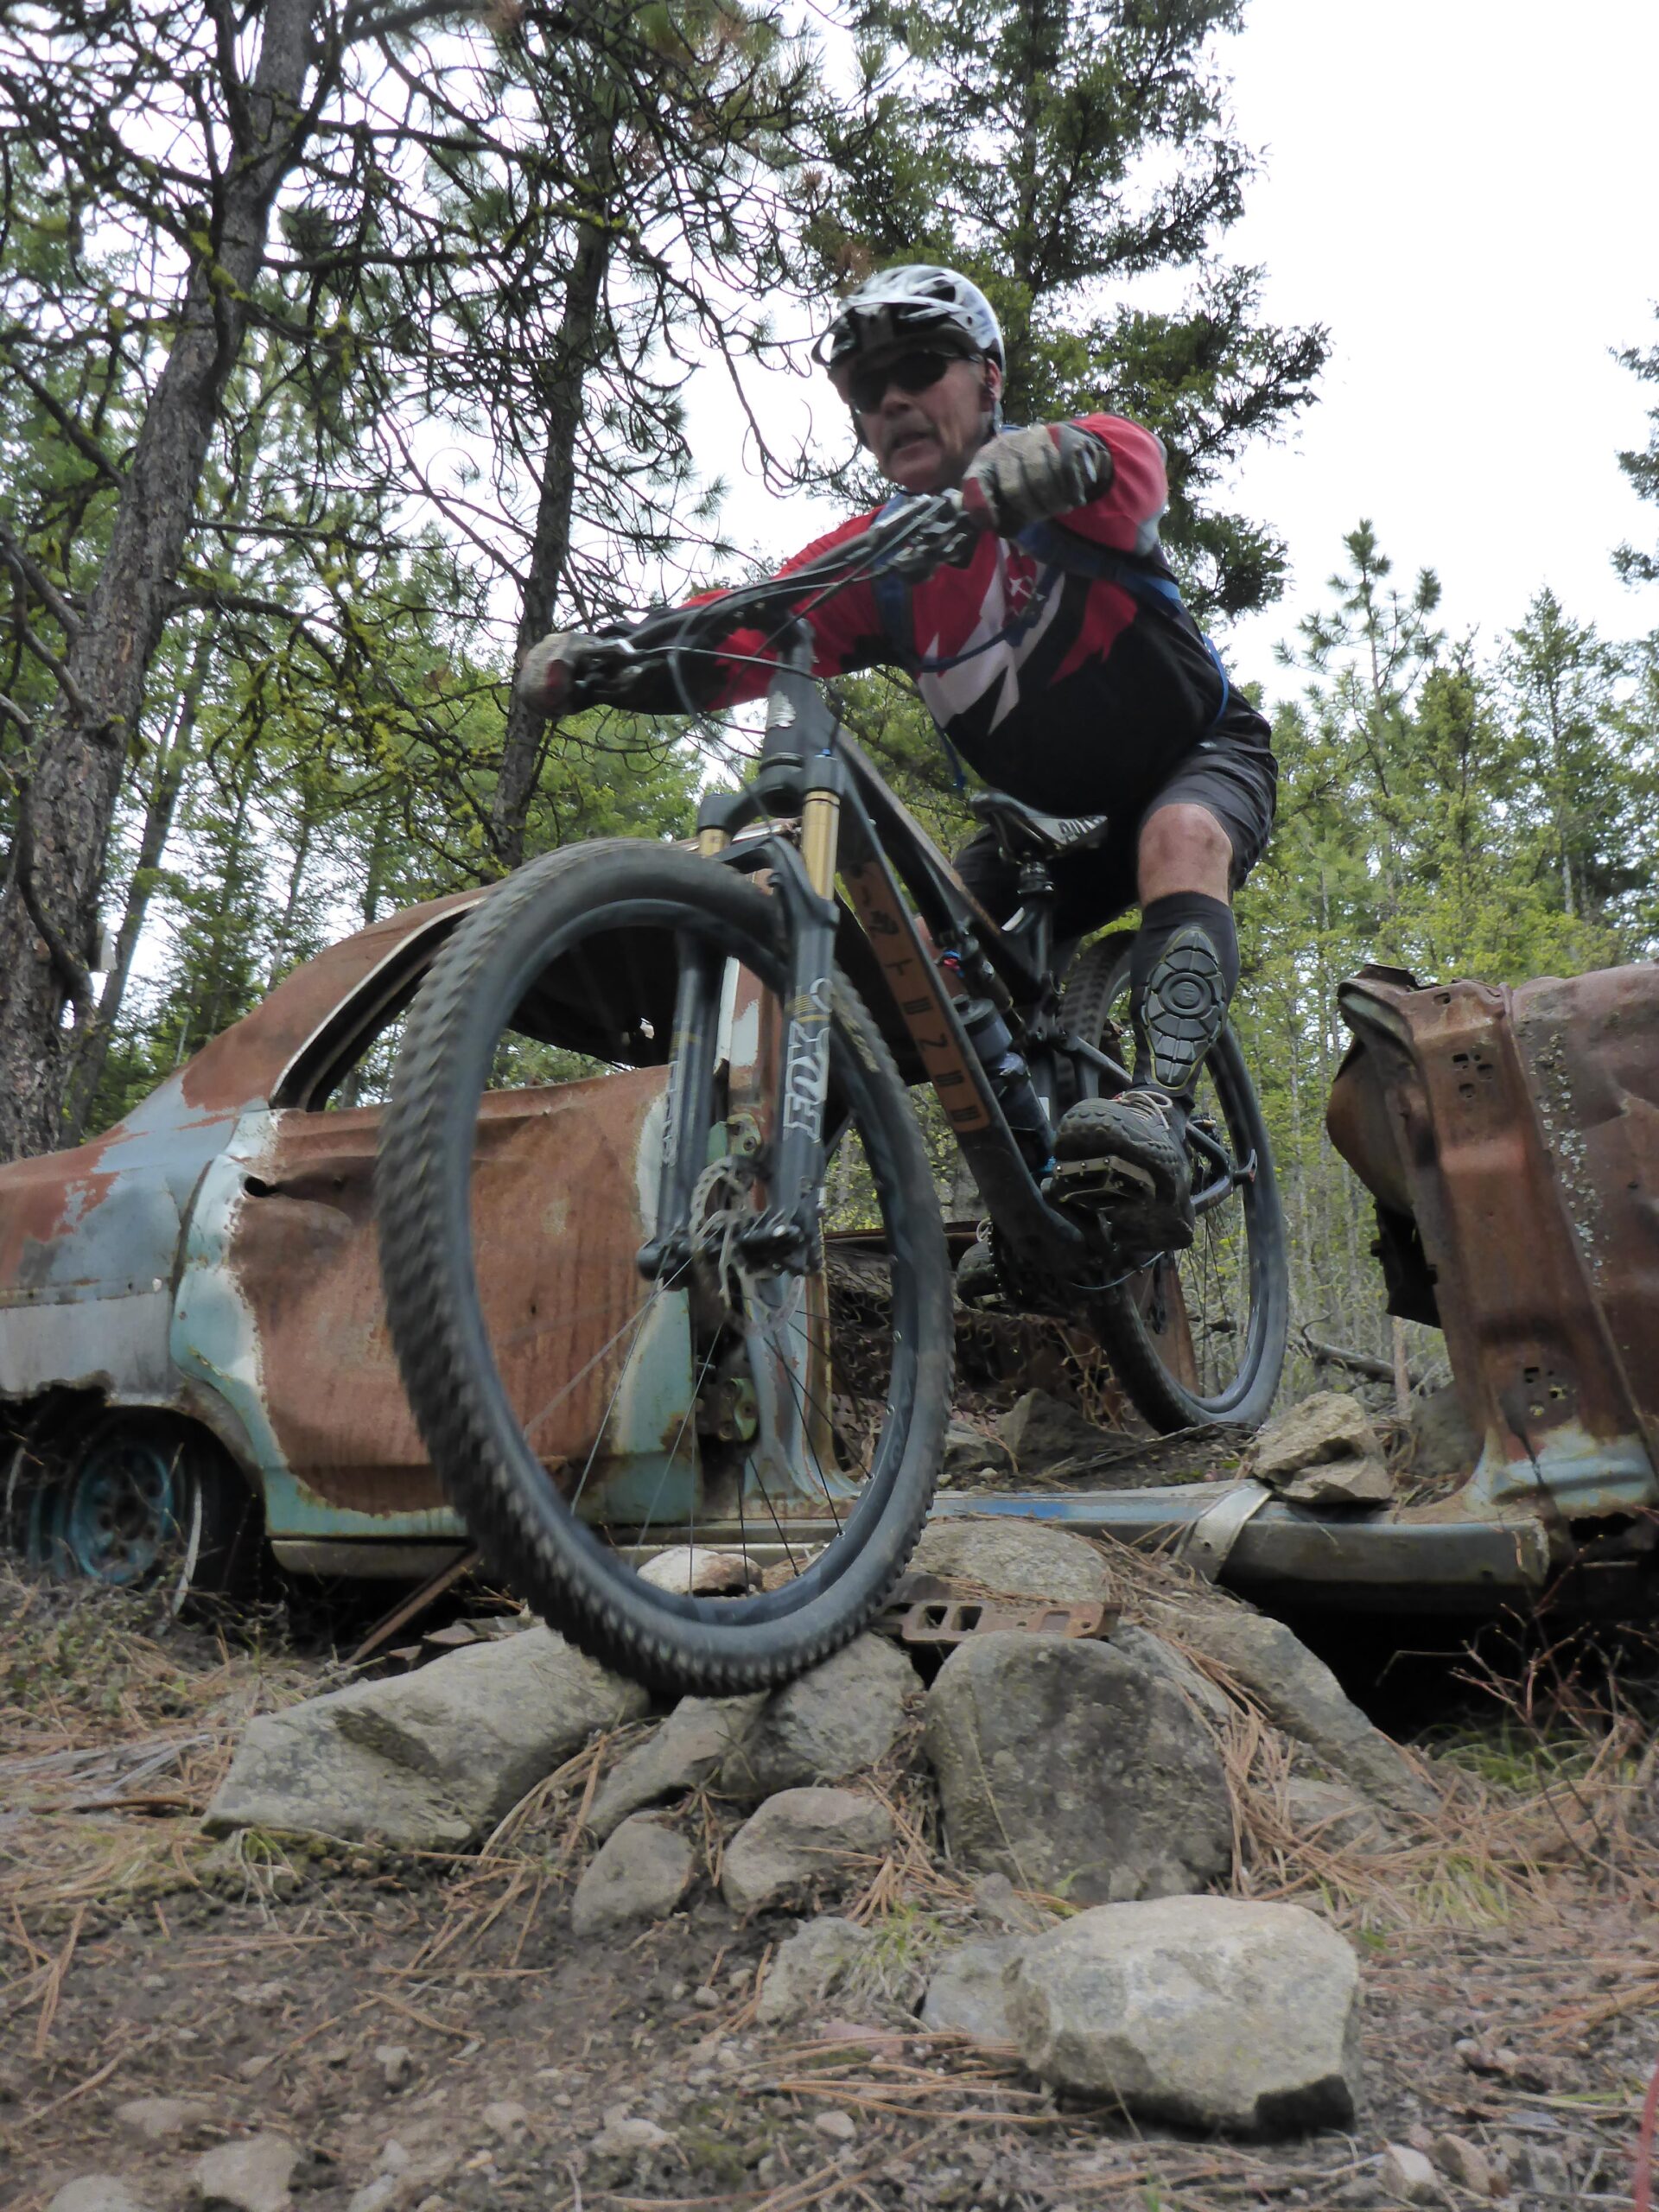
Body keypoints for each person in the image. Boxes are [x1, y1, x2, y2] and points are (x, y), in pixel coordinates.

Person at [517, 264, 1276, 1250]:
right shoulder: (878, 564)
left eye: (921, 368)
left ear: (991, 376)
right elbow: (738, 634)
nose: (892, 403)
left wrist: (1041, 466)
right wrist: (614, 662)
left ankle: (1159, 1112)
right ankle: (967, 1204)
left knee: (1179, 833)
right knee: (919, 957)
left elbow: (1126, 458)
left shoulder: (1071, 487)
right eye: (867, 392)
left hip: (1197, 755)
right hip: (1047, 831)